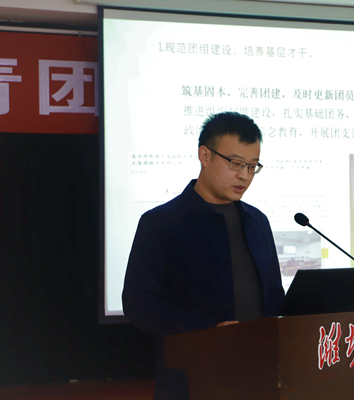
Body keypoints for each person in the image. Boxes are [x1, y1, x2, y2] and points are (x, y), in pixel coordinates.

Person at [122, 112, 285, 400]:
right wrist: (207, 331)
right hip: (191, 381)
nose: (244, 175)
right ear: (205, 156)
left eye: (252, 166)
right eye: (236, 163)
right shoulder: (161, 223)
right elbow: (139, 302)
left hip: (258, 377)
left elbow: (273, 294)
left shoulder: (258, 221)